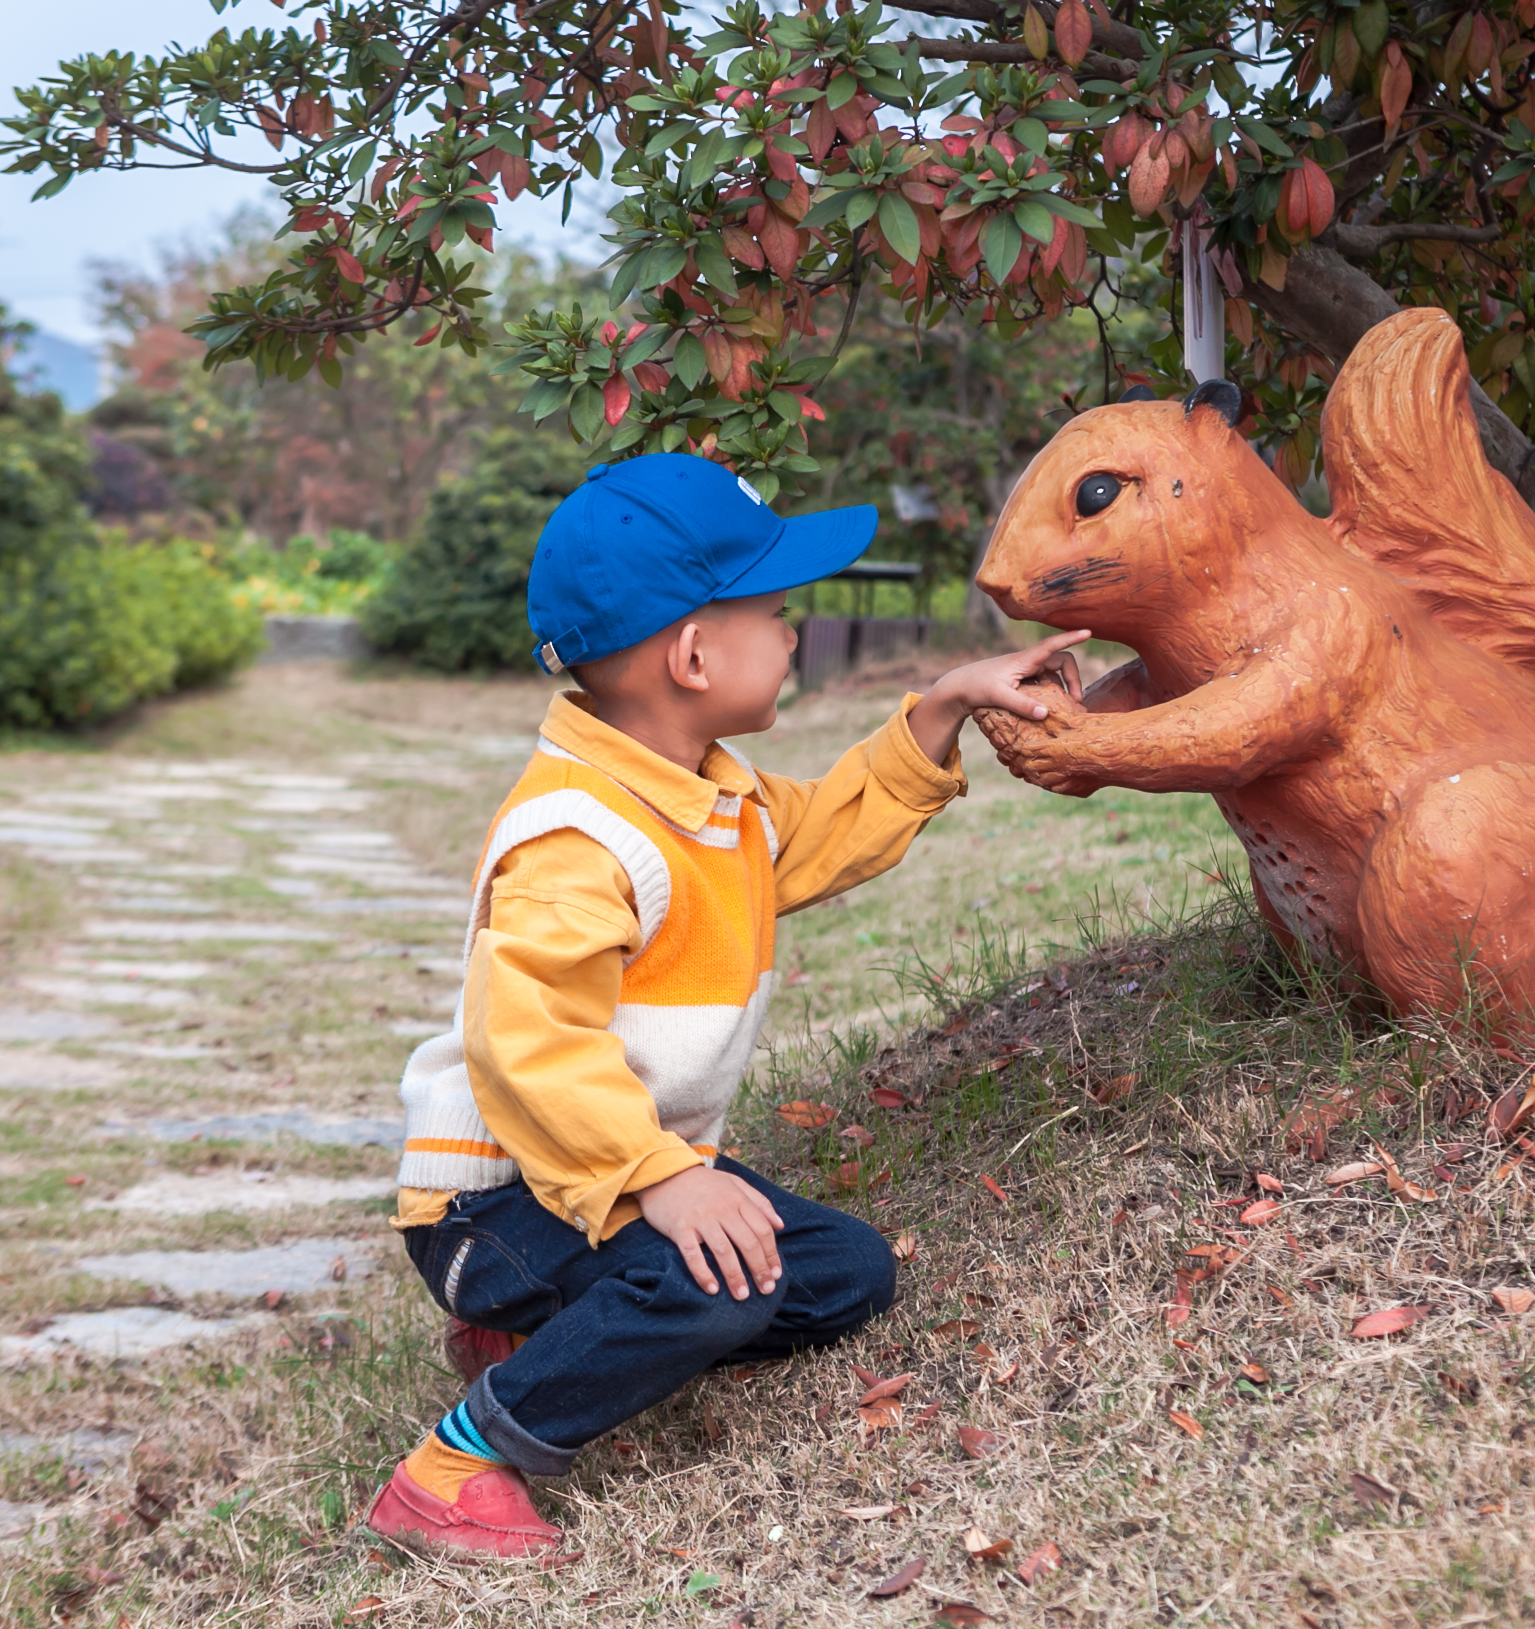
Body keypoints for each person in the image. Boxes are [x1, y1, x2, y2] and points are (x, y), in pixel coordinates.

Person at [364, 451, 1088, 1561]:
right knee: (714, 1292)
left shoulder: (711, 793)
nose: (795, 631)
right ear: (694, 652)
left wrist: (941, 707)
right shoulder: (579, 833)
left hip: (617, 1169)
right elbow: (530, 1045)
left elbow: (825, 830)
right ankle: (461, 1460)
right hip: (501, 1207)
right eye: (778, 610)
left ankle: (543, 1335)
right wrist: (665, 1176)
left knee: (846, 1271)